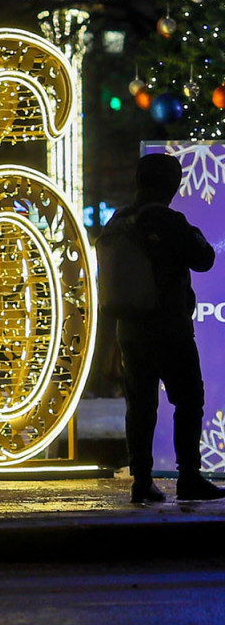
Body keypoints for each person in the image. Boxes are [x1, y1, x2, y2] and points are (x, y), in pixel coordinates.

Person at [108, 153, 225, 503]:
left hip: (129, 328)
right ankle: (189, 476)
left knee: (140, 405)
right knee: (189, 399)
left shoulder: (119, 219)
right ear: (169, 184)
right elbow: (204, 258)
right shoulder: (167, 219)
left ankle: (141, 480)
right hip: (169, 327)